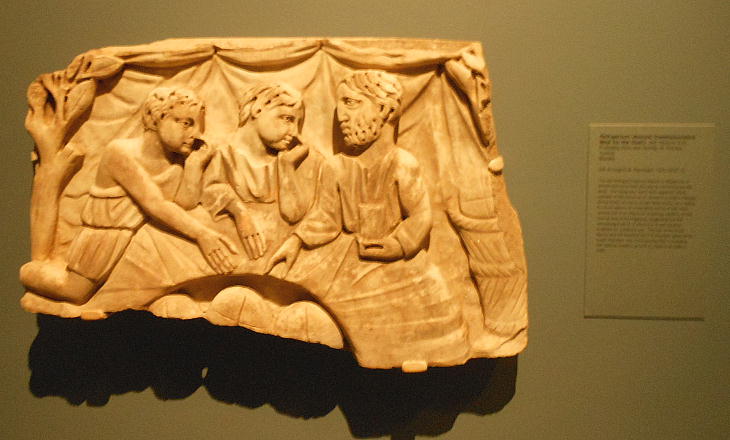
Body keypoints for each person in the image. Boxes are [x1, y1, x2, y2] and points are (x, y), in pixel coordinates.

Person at [266, 70, 470, 370]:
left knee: (428, 310)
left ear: (384, 109)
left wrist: (399, 244)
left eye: (351, 103)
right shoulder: (336, 167)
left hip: (399, 263)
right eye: (340, 106)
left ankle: (407, 353)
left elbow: (420, 215)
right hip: (349, 257)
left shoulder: (402, 164)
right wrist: (296, 241)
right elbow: (326, 217)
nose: (342, 117)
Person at [20, 87, 238, 305]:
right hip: (104, 239)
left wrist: (194, 166)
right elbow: (156, 204)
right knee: (74, 291)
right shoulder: (120, 153)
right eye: (186, 123)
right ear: (154, 117)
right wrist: (202, 235)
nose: (196, 133)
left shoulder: (176, 164)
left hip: (137, 238)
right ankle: (30, 270)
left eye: (198, 125)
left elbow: (185, 204)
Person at [201, 82, 323, 260]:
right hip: (237, 254)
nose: (294, 131)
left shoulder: (295, 158)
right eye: (287, 119)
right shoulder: (221, 154)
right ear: (257, 109)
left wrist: (287, 167)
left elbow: (293, 215)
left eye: (298, 123)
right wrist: (240, 212)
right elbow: (209, 190)